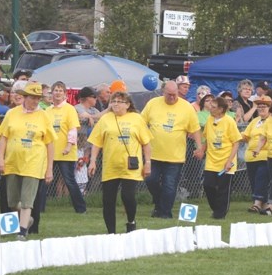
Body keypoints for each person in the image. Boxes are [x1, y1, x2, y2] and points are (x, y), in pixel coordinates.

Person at [0, 82, 55, 240]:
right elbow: (3, 139)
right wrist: (0, 159)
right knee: (12, 201)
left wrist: (49, 168)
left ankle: (22, 231)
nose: (35, 101)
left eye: (38, 98)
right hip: (12, 162)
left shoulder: (44, 116)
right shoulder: (12, 113)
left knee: (28, 199)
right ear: (25, 97)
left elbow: (50, 144)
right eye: (32, 97)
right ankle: (25, 220)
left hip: (33, 162)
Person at [88, 91, 152, 234]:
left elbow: (146, 143)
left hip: (130, 166)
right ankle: (111, 232)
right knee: (108, 200)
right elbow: (96, 143)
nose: (115, 104)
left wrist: (148, 162)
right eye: (113, 101)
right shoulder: (105, 119)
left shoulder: (136, 118)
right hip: (110, 165)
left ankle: (131, 221)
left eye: (119, 101)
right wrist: (92, 161)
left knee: (127, 196)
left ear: (127, 104)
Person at [141, 80, 203, 219]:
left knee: (170, 185)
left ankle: (165, 213)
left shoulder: (186, 107)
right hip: (153, 154)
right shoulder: (153, 103)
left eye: (174, 95)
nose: (172, 97)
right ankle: (159, 204)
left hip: (175, 156)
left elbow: (195, 129)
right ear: (163, 92)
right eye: (169, 95)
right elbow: (142, 122)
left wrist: (199, 147)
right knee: (150, 180)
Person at [48, 80, 87, 214]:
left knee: (69, 180)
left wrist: (69, 146)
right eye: (55, 90)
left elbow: (73, 129)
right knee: (43, 180)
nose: (58, 93)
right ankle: (39, 208)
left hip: (66, 152)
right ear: (51, 93)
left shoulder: (70, 109)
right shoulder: (47, 110)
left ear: (65, 94)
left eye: (61, 90)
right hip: (50, 152)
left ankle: (81, 208)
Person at [199, 95, 241, 219]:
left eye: (213, 107)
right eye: (210, 106)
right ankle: (216, 208)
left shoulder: (229, 121)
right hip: (211, 160)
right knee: (208, 185)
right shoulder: (209, 120)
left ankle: (220, 214)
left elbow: (236, 142)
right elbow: (206, 138)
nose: (210, 108)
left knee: (223, 189)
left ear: (221, 109)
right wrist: (201, 150)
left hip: (225, 161)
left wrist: (229, 161)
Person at [241, 95, 272, 213]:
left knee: (261, 178)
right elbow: (246, 135)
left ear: (270, 108)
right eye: (259, 106)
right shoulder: (255, 121)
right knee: (254, 180)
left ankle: (257, 203)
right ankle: (262, 203)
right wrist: (234, 137)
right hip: (251, 156)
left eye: (264, 106)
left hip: (265, 156)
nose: (261, 108)